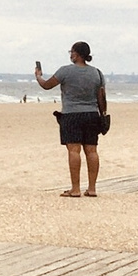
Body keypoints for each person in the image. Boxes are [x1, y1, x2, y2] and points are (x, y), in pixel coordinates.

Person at [34, 40, 106, 197]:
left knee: (74, 150)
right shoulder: (97, 73)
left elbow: (46, 85)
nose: (70, 55)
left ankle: (75, 188)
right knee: (92, 150)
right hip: (92, 114)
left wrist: (39, 76)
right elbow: (101, 98)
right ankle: (92, 188)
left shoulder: (65, 71)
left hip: (71, 114)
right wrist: (103, 115)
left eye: (71, 52)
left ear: (77, 54)